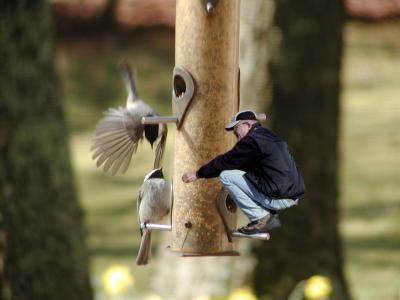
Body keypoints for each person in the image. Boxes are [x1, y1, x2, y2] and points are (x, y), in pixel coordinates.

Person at [182, 110, 305, 234]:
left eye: (237, 131)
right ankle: (265, 212)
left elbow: (226, 161)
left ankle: (261, 218)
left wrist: (198, 174)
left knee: (226, 176)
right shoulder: (267, 135)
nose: (238, 138)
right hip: (291, 196)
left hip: (278, 197)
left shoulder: (251, 140)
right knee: (241, 173)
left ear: (247, 124)